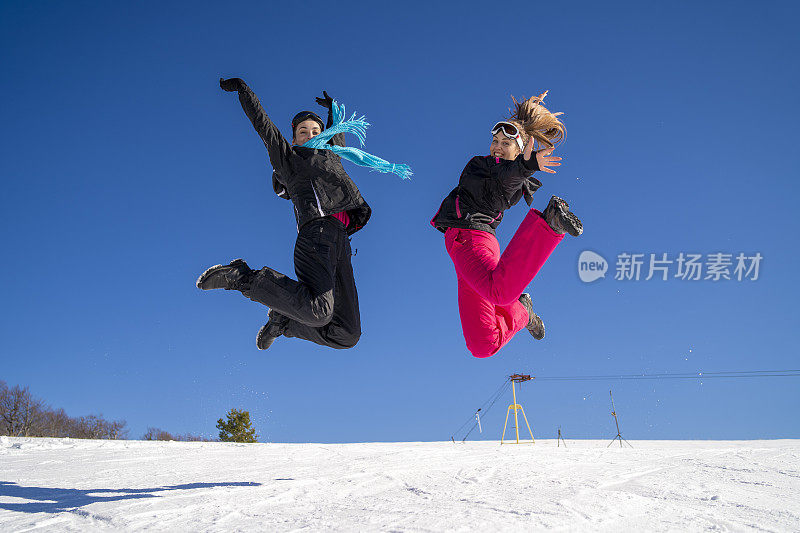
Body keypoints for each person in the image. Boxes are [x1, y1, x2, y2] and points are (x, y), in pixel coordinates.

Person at [197, 78, 374, 351]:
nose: (311, 134)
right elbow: (264, 127)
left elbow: (337, 132)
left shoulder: (333, 156)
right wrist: (245, 92)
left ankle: (283, 322)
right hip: (316, 235)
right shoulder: (290, 160)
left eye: (316, 130)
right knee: (318, 312)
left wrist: (333, 107)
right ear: (294, 139)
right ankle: (242, 277)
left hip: (342, 243)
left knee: (346, 334)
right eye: (303, 131)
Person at [431, 92, 582, 358]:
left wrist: (527, 165)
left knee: (498, 292)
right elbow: (501, 178)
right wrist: (525, 164)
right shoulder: (479, 166)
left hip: (470, 241)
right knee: (482, 344)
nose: (497, 147)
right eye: (495, 141)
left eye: (505, 143)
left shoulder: (512, 178)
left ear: (519, 149)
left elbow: (506, 180)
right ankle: (523, 310)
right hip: (470, 245)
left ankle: (550, 225)